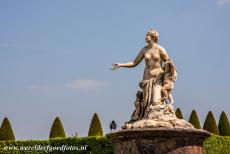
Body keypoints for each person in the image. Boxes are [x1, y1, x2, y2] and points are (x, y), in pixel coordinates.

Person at [111, 29, 172, 109]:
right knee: (146, 104)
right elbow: (134, 63)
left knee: (155, 102)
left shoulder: (160, 49)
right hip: (146, 78)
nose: (145, 37)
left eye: (147, 35)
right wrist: (120, 64)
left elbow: (169, 63)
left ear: (153, 37)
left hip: (158, 78)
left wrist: (167, 77)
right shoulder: (144, 50)